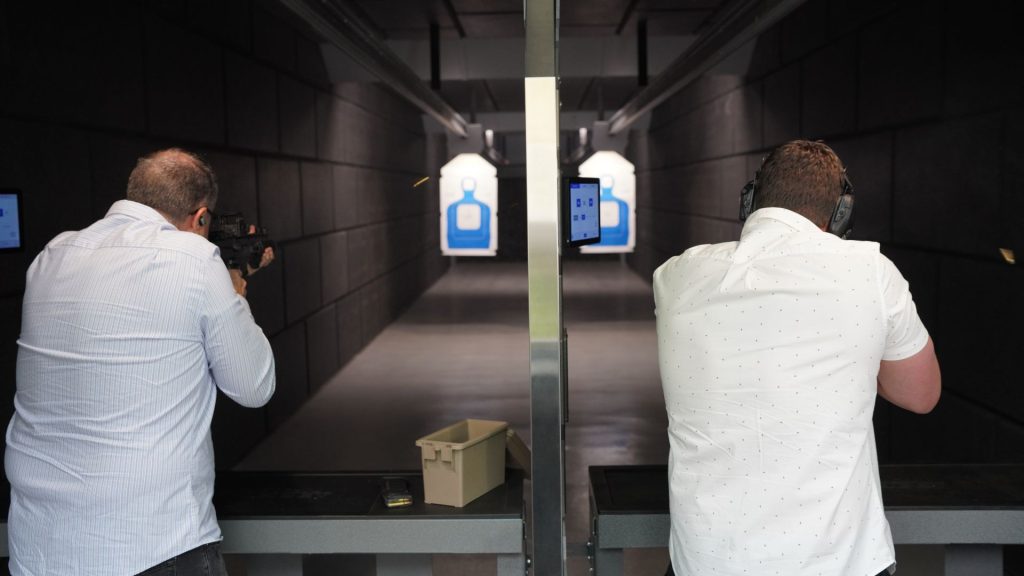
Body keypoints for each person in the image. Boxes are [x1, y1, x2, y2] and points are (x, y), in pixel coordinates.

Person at [654, 140, 940, 576]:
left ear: (749, 202)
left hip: (708, 563)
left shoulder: (676, 275)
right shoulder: (870, 271)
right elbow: (920, 394)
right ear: (841, 213)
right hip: (838, 564)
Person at [5, 148, 276, 574]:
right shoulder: (195, 258)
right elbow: (254, 385)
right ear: (201, 218)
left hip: (40, 544)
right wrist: (236, 292)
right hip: (151, 543)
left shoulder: (51, 256)